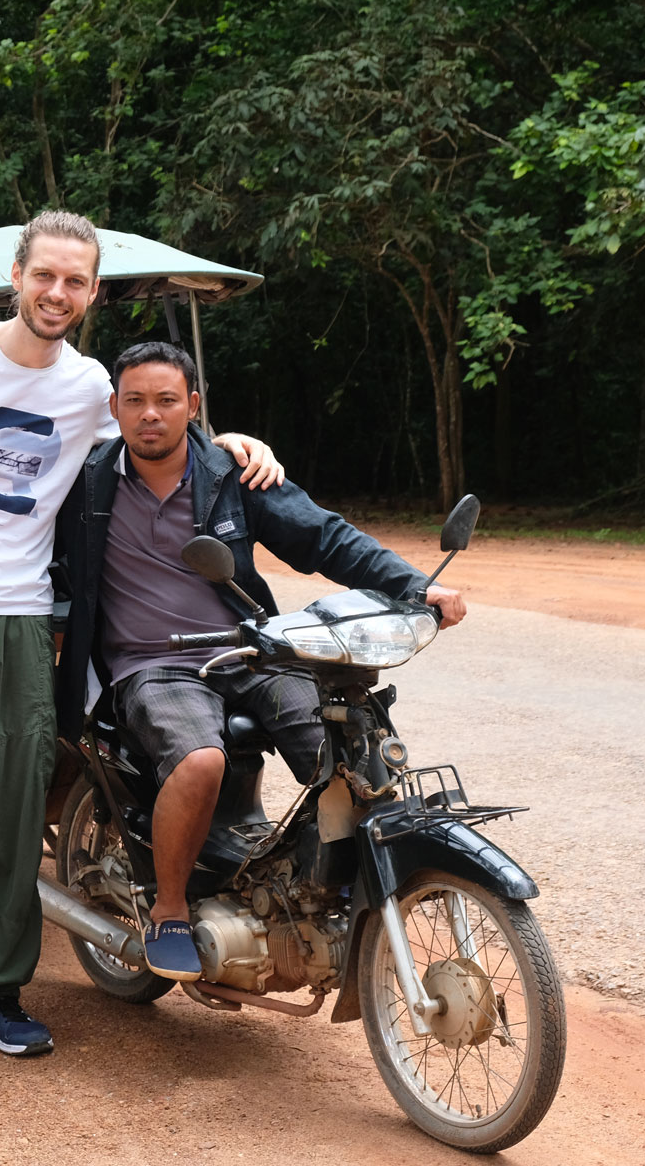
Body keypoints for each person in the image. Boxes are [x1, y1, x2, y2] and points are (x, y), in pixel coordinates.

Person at [0, 212, 283, 1094]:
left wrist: (240, 445)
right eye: (45, 275)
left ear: (91, 293)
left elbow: (165, 440)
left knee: (14, 816)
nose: (58, 293)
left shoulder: (91, 388)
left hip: (20, 622)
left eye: (76, 281)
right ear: (18, 275)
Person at [53, 340, 465, 981]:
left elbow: (322, 535)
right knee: (199, 760)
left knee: (347, 737)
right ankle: (168, 908)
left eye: (166, 400)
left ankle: (329, 884)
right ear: (114, 407)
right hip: (149, 665)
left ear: (193, 405)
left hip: (246, 650)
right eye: (134, 401)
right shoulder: (84, 481)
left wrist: (416, 587)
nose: (150, 415)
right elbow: (2, 524)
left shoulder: (230, 473)